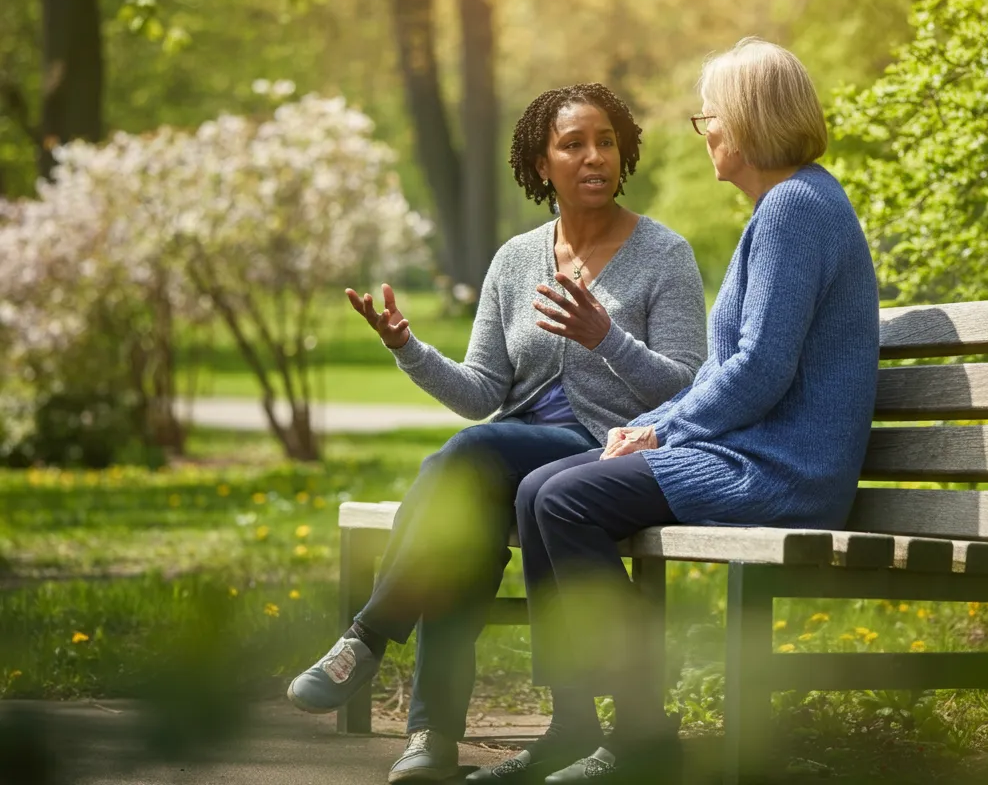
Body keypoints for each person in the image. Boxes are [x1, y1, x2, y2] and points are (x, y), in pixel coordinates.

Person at [286, 83, 707, 784]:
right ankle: (431, 738)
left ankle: (369, 635)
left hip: (610, 453)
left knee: (472, 455)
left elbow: (688, 390)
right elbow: (481, 394)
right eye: (573, 144)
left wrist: (606, 339)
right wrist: (407, 349)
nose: (593, 156)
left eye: (605, 141)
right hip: (516, 458)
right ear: (542, 164)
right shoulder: (516, 261)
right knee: (464, 518)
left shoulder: (665, 255)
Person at [489, 39, 879, 784]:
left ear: (745, 122)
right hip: (752, 453)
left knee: (566, 498)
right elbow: (739, 369)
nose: (706, 134)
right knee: (539, 489)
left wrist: (663, 428)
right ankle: (571, 722)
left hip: (784, 471)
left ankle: (640, 733)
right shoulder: (787, 206)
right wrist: (660, 425)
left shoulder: (796, 208)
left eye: (710, 118)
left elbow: (760, 369)